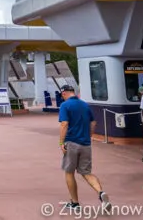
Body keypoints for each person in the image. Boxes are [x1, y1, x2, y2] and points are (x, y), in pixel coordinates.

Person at [58, 85, 111, 213]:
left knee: (69, 172)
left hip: (72, 142)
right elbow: (93, 123)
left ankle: (75, 203)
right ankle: (101, 193)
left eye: (62, 96)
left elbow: (64, 124)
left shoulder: (65, 106)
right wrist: (89, 135)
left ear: (64, 93)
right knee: (86, 172)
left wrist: (61, 142)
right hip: (86, 144)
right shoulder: (85, 105)